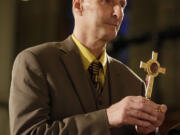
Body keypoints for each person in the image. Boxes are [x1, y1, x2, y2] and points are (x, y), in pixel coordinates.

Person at [9, 0, 167, 134]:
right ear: (78, 5)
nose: (119, 13)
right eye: (107, 1)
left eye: (122, 4)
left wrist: (148, 130)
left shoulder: (133, 83)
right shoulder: (36, 62)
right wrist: (106, 117)